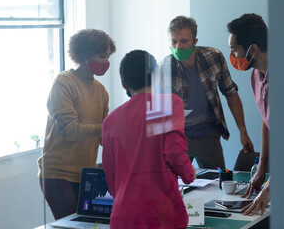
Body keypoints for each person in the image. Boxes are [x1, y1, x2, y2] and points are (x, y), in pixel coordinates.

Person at [102, 50, 195, 228]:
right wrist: (189, 173)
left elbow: (110, 173)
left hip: (123, 215)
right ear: (156, 76)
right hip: (160, 213)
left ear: (123, 84)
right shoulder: (168, 105)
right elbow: (174, 153)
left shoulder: (110, 121)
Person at [37, 29, 116, 220]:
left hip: (86, 173)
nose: (105, 62)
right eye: (101, 56)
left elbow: (102, 137)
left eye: (108, 56)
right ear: (85, 54)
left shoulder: (101, 91)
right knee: (73, 224)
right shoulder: (64, 82)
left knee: (90, 223)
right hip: (58, 174)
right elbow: (71, 130)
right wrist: (112, 128)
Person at [159, 16, 253, 169]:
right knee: (171, 186)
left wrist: (243, 131)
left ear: (195, 42)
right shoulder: (163, 68)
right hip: (178, 137)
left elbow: (231, 94)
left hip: (209, 135)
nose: (178, 47)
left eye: (183, 41)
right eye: (173, 41)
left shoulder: (214, 57)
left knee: (217, 184)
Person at [227, 13, 270, 216]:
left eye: (234, 50)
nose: (232, 56)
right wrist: (262, 166)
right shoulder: (256, 76)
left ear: (252, 49)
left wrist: (269, 188)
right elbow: (267, 118)